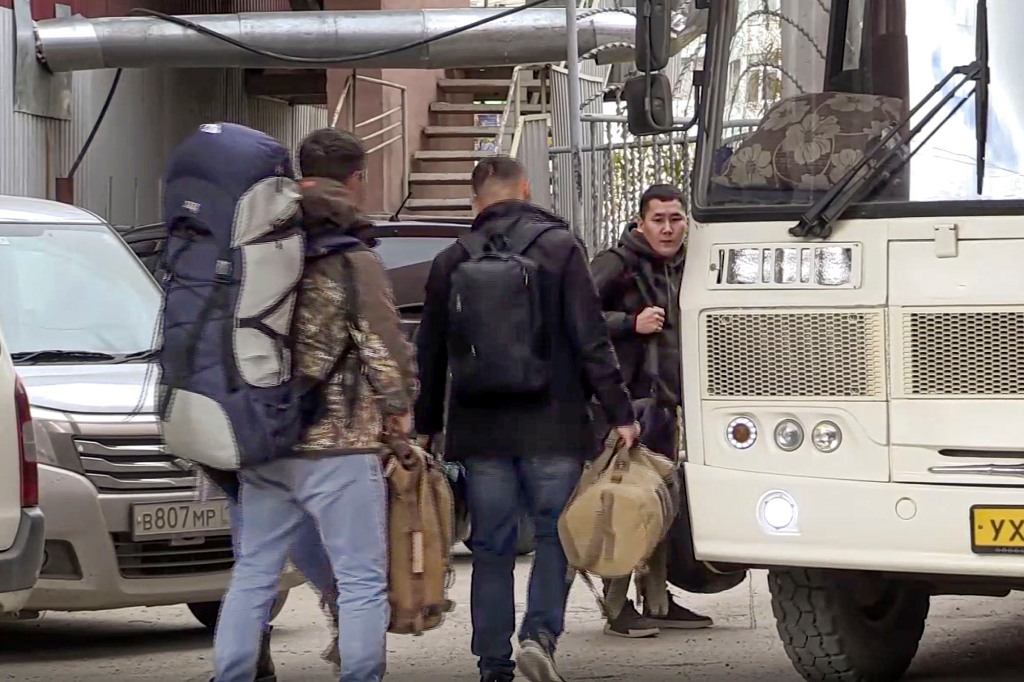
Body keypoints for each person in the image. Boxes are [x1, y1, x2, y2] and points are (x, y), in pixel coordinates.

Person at [414, 155, 638, 682]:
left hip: (480, 429)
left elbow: (430, 353)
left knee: (490, 545)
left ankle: (493, 663)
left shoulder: (451, 259)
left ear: (477, 199)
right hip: (553, 424)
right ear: (526, 188)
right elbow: (591, 337)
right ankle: (539, 638)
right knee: (553, 535)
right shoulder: (561, 249)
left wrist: (427, 423)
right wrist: (619, 412)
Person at [212, 128, 418, 682]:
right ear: (356, 178)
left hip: (263, 435)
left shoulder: (255, 237)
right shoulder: (351, 256)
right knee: (359, 580)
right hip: (339, 445)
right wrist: (401, 412)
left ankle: (229, 675)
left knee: (254, 572)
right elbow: (381, 345)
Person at [589, 183, 714, 638]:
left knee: (662, 503)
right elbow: (575, 317)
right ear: (640, 222)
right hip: (627, 408)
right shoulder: (617, 264)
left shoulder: (691, 265)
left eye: (675, 219)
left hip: (672, 406)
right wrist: (628, 323)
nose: (667, 227)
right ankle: (616, 603)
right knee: (624, 506)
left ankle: (658, 600)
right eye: (658, 219)